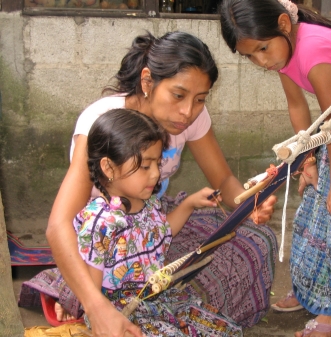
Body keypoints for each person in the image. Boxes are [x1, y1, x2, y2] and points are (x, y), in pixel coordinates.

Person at [20, 31, 277, 337]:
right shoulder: (103, 121)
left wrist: (250, 203)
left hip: (152, 217)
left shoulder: (191, 116)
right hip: (103, 238)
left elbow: (223, 179)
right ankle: (85, 294)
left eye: (200, 99)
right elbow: (58, 225)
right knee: (136, 289)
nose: (188, 112)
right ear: (147, 82)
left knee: (254, 239)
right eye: (178, 95)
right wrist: (96, 307)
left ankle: (159, 305)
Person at [219, 1, 331, 336]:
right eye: (250, 56)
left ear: (283, 25)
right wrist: (307, 159)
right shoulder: (283, 52)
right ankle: (314, 290)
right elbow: (298, 106)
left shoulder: (313, 51)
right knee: (316, 200)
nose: (261, 61)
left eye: (262, 48)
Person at [75, 107, 242, 336]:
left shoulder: (149, 203)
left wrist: (189, 204)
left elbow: (161, 233)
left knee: (224, 330)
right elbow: (91, 286)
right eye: (145, 166)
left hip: (161, 295)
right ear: (108, 167)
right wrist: (100, 321)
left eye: (157, 164)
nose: (155, 174)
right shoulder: (100, 221)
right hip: (122, 308)